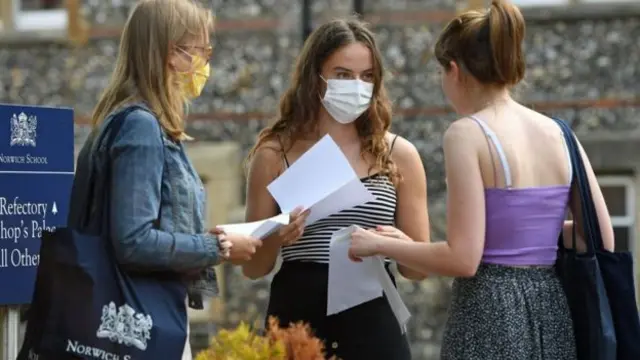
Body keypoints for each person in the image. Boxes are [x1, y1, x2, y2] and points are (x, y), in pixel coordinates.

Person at [347, 1, 614, 359]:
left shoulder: (468, 134)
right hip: (552, 310)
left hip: (489, 312)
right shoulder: (560, 134)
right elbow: (600, 238)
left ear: (455, 71)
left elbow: (463, 258)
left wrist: (380, 245)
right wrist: (532, 229)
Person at [68, 0, 261, 358]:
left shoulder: (128, 122)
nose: (205, 62)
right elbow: (133, 241)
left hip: (132, 317)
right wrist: (218, 248)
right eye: (202, 50)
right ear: (174, 54)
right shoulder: (141, 127)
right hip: (137, 323)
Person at [242, 18, 430, 360]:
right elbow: (253, 268)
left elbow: (418, 270)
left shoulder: (398, 154)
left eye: (367, 76)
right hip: (298, 322)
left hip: (373, 322)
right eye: (343, 74)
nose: (356, 85)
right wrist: (277, 234)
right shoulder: (274, 154)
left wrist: (394, 245)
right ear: (316, 77)